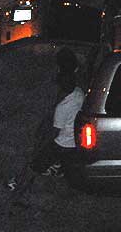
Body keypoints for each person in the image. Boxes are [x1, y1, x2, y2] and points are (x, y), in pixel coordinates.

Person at [8, 60, 85, 199]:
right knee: (69, 173)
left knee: (34, 166)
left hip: (62, 144)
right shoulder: (79, 93)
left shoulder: (63, 107)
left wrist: (39, 147)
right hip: (74, 143)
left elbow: (54, 132)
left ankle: (18, 193)